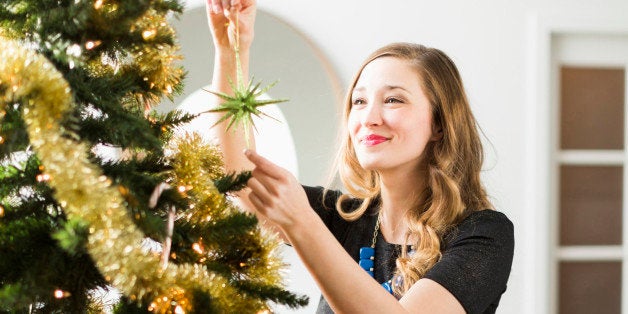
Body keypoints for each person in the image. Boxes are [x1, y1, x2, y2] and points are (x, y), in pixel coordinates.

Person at [205, 1, 514, 313]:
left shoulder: (483, 235)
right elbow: (238, 176)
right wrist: (231, 51)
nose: (369, 117)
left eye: (393, 100)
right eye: (359, 100)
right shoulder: (346, 219)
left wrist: (302, 223)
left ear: (438, 124)